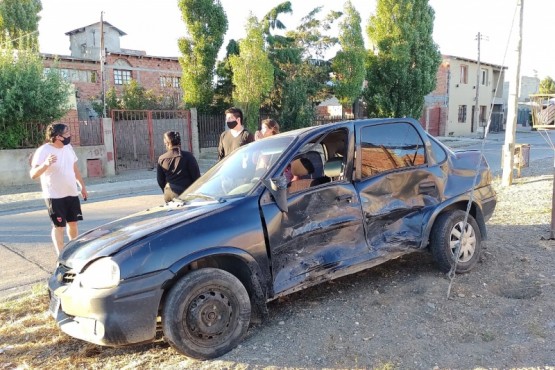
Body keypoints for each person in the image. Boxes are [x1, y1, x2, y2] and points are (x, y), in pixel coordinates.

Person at [30, 123, 88, 255]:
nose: (70, 135)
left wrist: (82, 187)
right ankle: (61, 255)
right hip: (54, 195)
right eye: (67, 133)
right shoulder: (44, 151)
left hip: (71, 192)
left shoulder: (68, 148)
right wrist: (46, 164)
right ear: (58, 136)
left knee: (73, 224)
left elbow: (74, 169)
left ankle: (74, 251)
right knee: (59, 227)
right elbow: (33, 175)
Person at [157, 131, 201, 203]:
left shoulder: (162, 158)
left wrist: (165, 190)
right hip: (185, 193)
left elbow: (160, 180)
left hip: (169, 193)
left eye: (165, 144)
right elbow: (196, 177)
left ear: (168, 143)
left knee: (173, 214)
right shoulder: (188, 156)